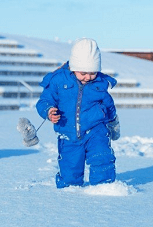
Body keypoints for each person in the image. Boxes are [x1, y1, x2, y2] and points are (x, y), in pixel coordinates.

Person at [36, 38, 120, 188]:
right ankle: (70, 193)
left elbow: (109, 105)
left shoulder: (99, 83)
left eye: (92, 73)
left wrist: (113, 123)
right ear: (74, 67)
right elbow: (44, 100)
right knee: (70, 171)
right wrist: (48, 111)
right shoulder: (58, 81)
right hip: (68, 133)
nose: (88, 77)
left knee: (102, 158)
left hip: (96, 130)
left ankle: (105, 188)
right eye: (83, 73)